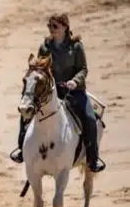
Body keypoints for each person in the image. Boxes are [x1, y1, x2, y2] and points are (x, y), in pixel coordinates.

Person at [9, 13, 105, 173]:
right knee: (26, 111)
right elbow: (40, 68)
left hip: (74, 91)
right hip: (52, 91)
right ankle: (21, 149)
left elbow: (83, 69)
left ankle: (92, 158)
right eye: (49, 26)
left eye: (55, 26)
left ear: (65, 27)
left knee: (89, 118)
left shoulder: (76, 47)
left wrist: (74, 81)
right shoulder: (45, 47)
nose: (51, 30)